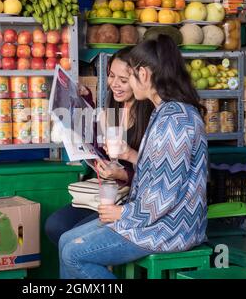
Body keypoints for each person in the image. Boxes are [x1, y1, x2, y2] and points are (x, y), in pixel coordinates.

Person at [58, 35, 208, 279]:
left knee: (74, 254)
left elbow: (163, 196)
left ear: (144, 74)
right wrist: (127, 154)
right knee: (66, 240)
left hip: (168, 228)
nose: (122, 83)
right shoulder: (166, 111)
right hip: (151, 219)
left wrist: (123, 214)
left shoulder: (175, 121)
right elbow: (159, 169)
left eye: (130, 76)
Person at [44, 47, 154, 247]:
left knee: (76, 240)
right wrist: (85, 101)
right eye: (111, 76)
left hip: (131, 201)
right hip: (106, 193)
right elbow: (97, 144)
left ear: (141, 78)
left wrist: (122, 174)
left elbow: (157, 171)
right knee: (55, 226)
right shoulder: (114, 106)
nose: (115, 85)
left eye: (123, 79)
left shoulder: (152, 117)